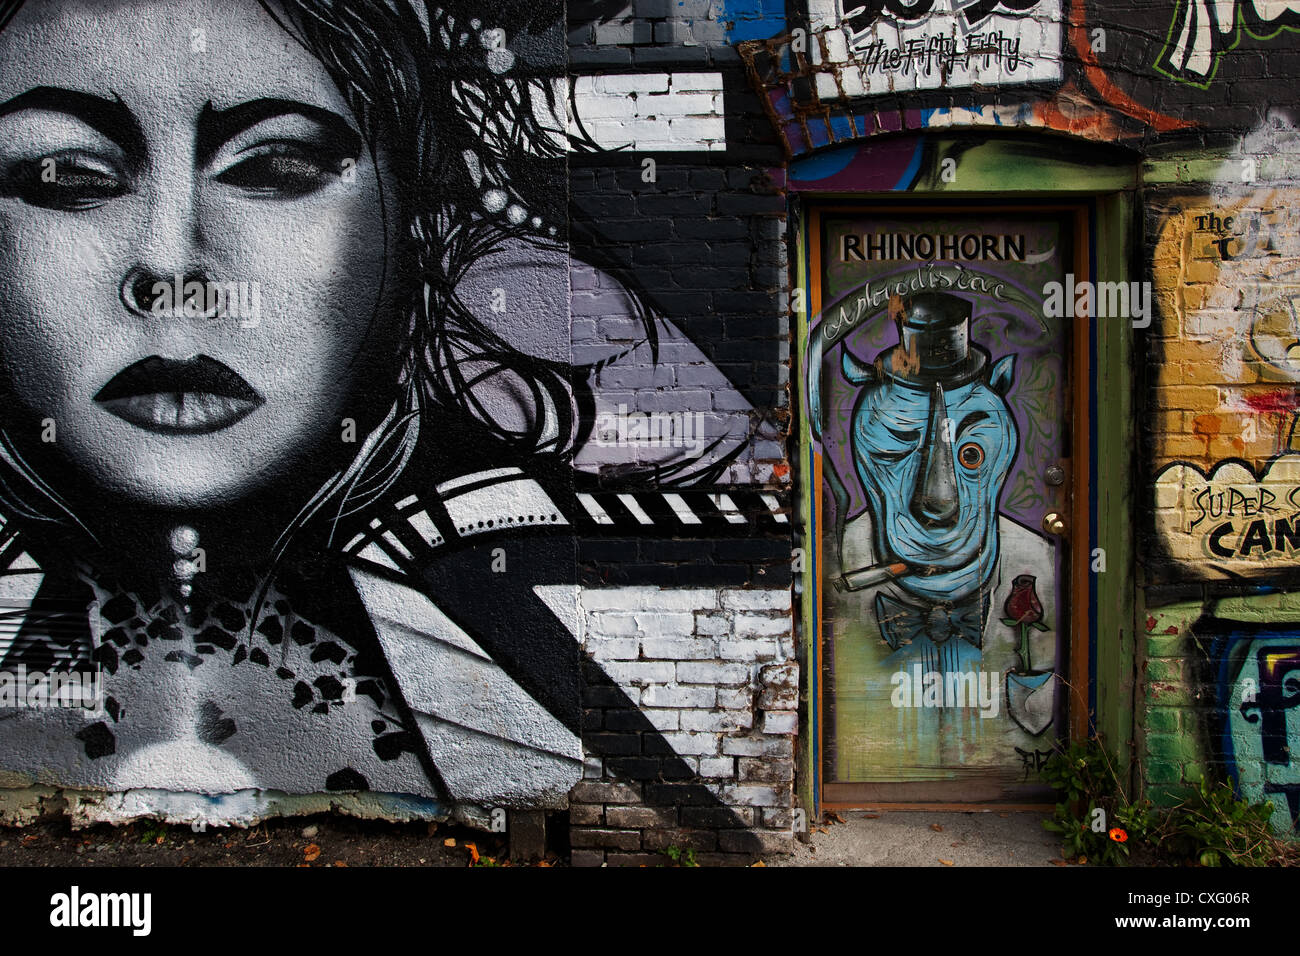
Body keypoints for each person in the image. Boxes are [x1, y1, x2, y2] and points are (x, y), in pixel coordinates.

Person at [0, 0, 687, 822]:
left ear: (417, 232)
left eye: (277, 169)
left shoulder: (500, 595)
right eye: (65, 175)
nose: (172, 270)